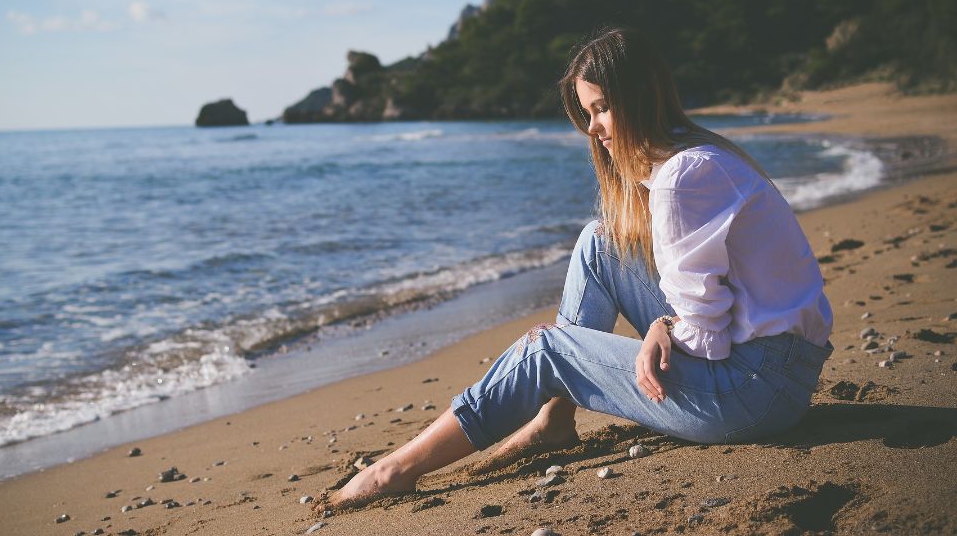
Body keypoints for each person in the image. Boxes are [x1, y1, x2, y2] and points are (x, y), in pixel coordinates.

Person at [322, 26, 834, 511]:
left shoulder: (683, 176)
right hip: (775, 372)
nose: (592, 127)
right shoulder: (697, 156)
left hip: (753, 392)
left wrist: (664, 328)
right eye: (589, 111)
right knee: (599, 242)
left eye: (604, 108)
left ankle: (397, 469)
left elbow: (708, 339)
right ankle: (554, 419)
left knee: (547, 349)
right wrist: (668, 327)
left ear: (640, 96)